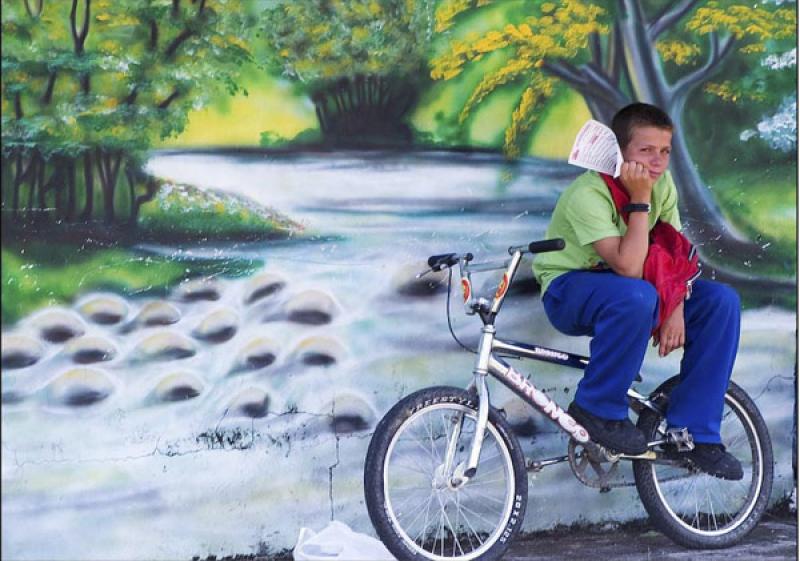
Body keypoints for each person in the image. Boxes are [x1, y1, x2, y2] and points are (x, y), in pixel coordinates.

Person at [532, 102, 743, 480]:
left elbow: (673, 254)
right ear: (620, 151)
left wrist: (675, 306)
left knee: (720, 303)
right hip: (570, 291)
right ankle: (598, 407)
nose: (658, 162)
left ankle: (696, 433)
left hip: (638, 291)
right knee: (635, 296)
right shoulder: (588, 193)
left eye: (665, 151)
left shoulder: (663, 185)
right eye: (646, 150)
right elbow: (628, 267)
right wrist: (640, 198)